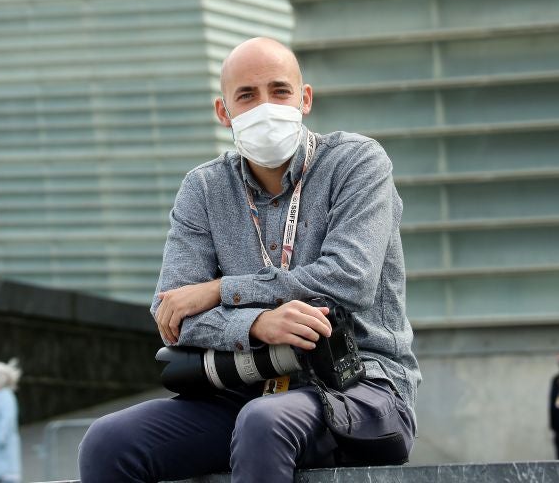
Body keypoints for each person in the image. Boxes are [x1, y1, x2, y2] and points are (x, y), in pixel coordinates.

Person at [78, 37, 421, 483]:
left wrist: (221, 290)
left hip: (360, 386)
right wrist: (257, 325)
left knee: (264, 422)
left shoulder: (357, 163)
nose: (265, 106)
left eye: (279, 91)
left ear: (305, 98)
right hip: (246, 389)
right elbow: (173, 314)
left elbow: (348, 280)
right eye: (246, 95)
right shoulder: (203, 189)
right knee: (108, 441)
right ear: (224, 112)